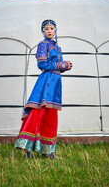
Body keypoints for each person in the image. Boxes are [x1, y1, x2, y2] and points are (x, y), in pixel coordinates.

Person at [15, 20, 72, 158]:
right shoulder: (43, 45)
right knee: (37, 113)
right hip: (46, 82)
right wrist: (61, 65)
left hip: (55, 83)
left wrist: (66, 66)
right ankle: (27, 149)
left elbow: (57, 66)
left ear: (56, 30)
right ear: (43, 31)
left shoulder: (57, 47)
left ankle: (48, 152)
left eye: (52, 28)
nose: (49, 31)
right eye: (46, 29)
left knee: (51, 117)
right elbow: (42, 64)